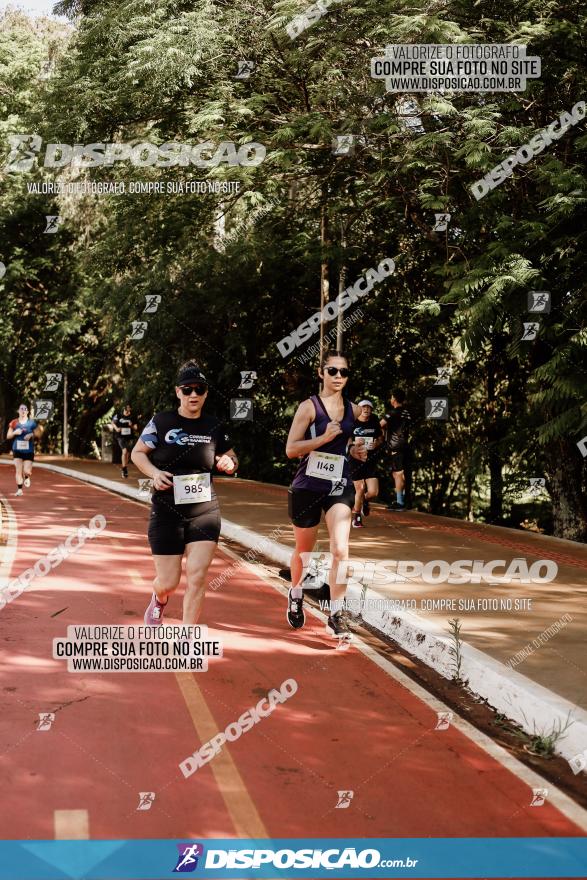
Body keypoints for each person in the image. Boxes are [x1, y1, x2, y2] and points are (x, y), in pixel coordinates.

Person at [130, 361, 238, 626]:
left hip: (204, 510)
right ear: (178, 392)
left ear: (205, 393)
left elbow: (231, 456)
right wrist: (154, 473)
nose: (193, 395)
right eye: (187, 390)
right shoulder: (162, 421)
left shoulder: (214, 426)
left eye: (199, 390)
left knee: (198, 575)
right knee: (169, 582)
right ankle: (159, 597)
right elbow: (137, 453)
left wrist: (229, 463)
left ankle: (187, 636)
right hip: (167, 509)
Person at [285, 350, 368, 638]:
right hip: (307, 486)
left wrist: (356, 452)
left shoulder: (354, 409)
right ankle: (296, 592)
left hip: (338, 485)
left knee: (340, 550)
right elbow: (291, 449)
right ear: (321, 373)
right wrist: (324, 438)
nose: (338, 377)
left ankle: (336, 613)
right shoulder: (309, 408)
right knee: (304, 552)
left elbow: (354, 445)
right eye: (332, 371)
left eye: (343, 372)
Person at [349, 399, 384, 527]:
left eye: (369, 408)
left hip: (370, 460)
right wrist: (352, 446)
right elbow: (345, 439)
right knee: (360, 488)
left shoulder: (374, 421)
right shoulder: (352, 421)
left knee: (373, 492)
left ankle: (364, 501)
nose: (366, 410)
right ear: (359, 409)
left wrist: (377, 443)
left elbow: (381, 437)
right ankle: (357, 517)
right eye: (364, 407)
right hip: (355, 460)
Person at [380, 389, 411, 510]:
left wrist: (382, 434)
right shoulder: (407, 413)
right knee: (397, 473)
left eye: (391, 397)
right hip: (404, 445)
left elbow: (379, 425)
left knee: (398, 474)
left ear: (394, 399)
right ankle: (402, 500)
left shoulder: (392, 413)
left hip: (395, 446)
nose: (390, 399)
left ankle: (400, 502)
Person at [6, 404, 42, 496]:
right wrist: (15, 432)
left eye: (25, 409)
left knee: (26, 470)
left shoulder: (32, 423)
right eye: (21, 409)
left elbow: (38, 434)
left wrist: (31, 435)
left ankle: (27, 476)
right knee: (18, 470)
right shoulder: (14, 423)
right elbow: (8, 436)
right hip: (17, 449)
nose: (23, 411)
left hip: (28, 451)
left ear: (27, 412)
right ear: (18, 411)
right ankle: (19, 489)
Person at [111, 404, 137, 478]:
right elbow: (113, 422)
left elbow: (136, 427)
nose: (129, 410)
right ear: (124, 409)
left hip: (129, 437)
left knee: (127, 453)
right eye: (127, 408)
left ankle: (125, 467)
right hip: (120, 436)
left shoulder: (133, 416)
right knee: (124, 451)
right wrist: (116, 429)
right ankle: (124, 469)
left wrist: (131, 425)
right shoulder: (118, 415)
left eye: (130, 408)